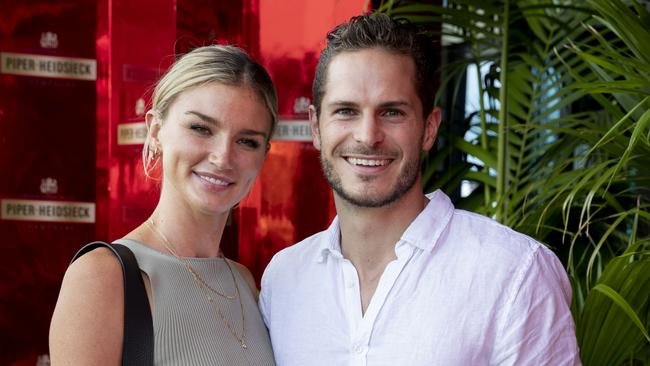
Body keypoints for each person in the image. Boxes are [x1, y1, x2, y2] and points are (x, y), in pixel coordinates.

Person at [259, 13, 581, 366]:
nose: (368, 135)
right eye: (346, 111)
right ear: (316, 129)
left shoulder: (513, 272)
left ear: (429, 128)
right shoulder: (284, 280)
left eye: (392, 112)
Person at [50, 45, 277, 366]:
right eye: (201, 129)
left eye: (247, 141)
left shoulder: (245, 282)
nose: (222, 157)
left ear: (263, 155)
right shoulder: (103, 276)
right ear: (156, 131)